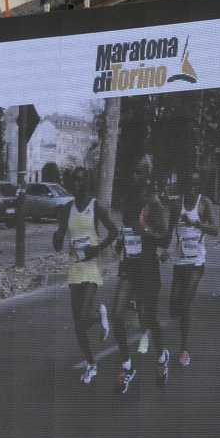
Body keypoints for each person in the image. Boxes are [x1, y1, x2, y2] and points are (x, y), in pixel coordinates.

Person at [112, 157, 171, 393]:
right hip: (129, 266)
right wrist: (120, 242)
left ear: (147, 176)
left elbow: (165, 239)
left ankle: (161, 356)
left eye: (138, 173)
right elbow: (127, 232)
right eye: (132, 173)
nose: (134, 177)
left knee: (148, 319)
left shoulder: (153, 203)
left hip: (148, 267)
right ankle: (127, 365)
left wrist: (144, 231)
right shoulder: (128, 201)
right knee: (117, 314)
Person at [52, 177, 118, 384]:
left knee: (81, 316)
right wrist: (57, 234)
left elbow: (114, 231)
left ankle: (98, 320)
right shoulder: (67, 209)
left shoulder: (94, 206)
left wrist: (96, 249)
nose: (77, 183)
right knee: (78, 326)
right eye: (75, 180)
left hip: (91, 268)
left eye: (81, 179)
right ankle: (91, 363)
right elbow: (58, 243)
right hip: (75, 268)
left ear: (87, 184)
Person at [167, 173, 219, 367]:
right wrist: (162, 249)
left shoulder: (204, 203)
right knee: (174, 308)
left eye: (194, 187)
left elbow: (215, 229)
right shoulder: (175, 205)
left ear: (198, 188)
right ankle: (183, 321)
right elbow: (168, 232)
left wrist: (197, 224)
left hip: (196, 261)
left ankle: (184, 349)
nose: (190, 190)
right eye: (187, 186)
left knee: (186, 302)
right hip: (180, 261)